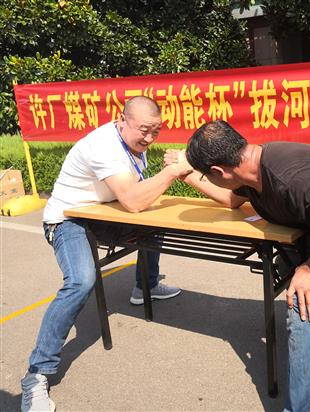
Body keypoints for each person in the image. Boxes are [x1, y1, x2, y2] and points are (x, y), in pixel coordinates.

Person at [168, 120, 310, 411]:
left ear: (219, 171)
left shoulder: (291, 176)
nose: (208, 179)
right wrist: (187, 174)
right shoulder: (249, 169)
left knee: (304, 304)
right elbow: (230, 200)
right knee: (292, 270)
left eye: (206, 176)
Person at [21, 96, 193, 412]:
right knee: (81, 282)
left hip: (101, 214)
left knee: (153, 226)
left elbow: (135, 195)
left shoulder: (132, 143)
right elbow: (134, 201)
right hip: (67, 220)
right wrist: (173, 172)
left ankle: (145, 286)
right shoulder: (104, 146)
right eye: (144, 130)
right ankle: (36, 374)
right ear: (122, 120)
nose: (150, 138)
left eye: (156, 131)